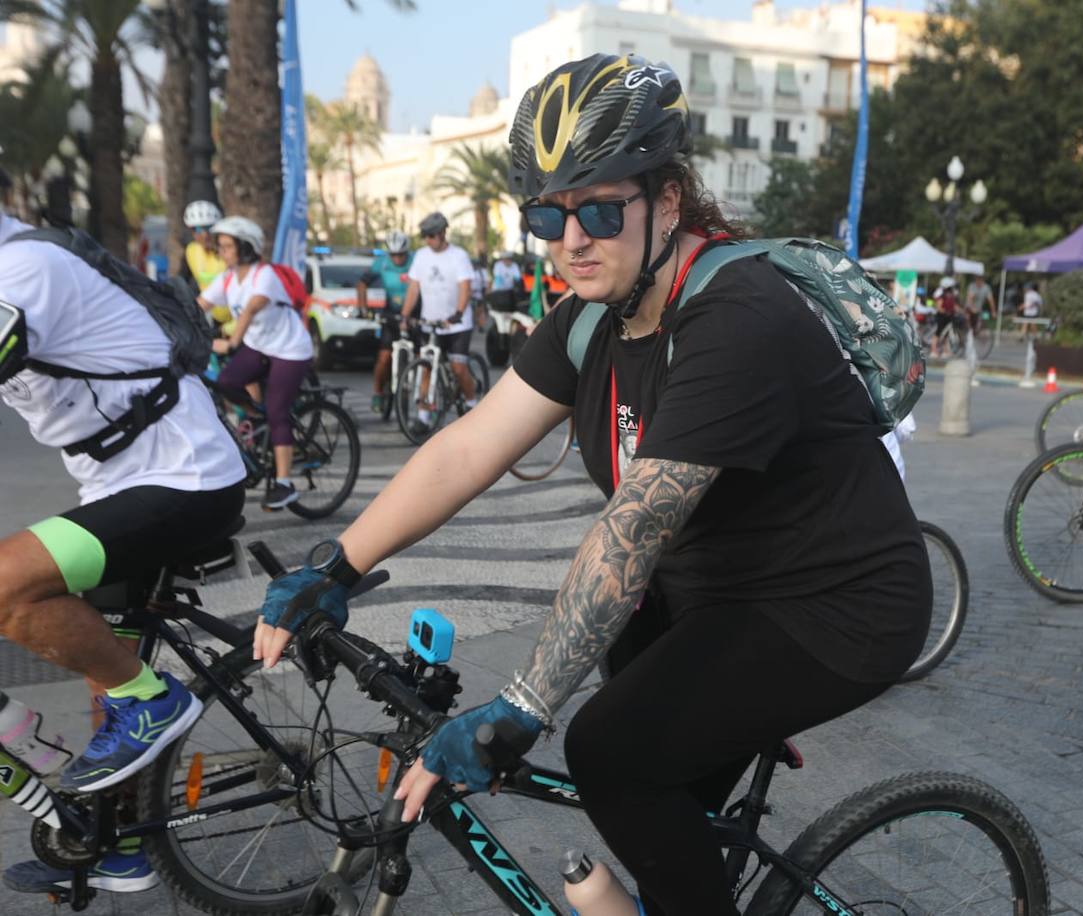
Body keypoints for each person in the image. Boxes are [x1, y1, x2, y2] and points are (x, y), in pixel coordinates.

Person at [250, 53, 930, 916]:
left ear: (668, 200)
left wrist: (519, 708)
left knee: (611, 751)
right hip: (707, 594)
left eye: (602, 209)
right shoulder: (589, 319)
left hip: (835, 606)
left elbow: (633, 530)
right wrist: (336, 568)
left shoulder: (737, 317)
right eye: (548, 215)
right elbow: (467, 447)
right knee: (649, 761)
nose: (573, 240)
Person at [0, 208, 245, 893]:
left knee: (6, 585)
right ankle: (118, 845)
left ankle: (154, 699)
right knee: (100, 659)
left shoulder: (23, 269)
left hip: (188, 478)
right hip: (118, 484)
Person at [196, 216, 315, 509]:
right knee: (226, 382)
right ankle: (258, 419)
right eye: (220, 246)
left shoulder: (264, 276)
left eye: (227, 246)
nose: (221, 252)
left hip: (289, 349)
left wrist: (233, 341)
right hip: (260, 346)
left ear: (246, 248)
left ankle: (285, 484)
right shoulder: (228, 277)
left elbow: (251, 309)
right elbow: (200, 304)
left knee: (277, 411)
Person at [401, 212, 479, 421]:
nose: (428, 240)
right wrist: (405, 316)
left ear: (443, 232)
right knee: (426, 367)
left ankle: (472, 404)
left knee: (458, 367)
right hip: (431, 323)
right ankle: (423, 416)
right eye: (425, 236)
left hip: (456, 325)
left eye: (431, 235)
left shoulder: (459, 256)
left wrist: (459, 313)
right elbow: (413, 289)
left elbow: (465, 287)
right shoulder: (420, 256)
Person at [358, 230, 416, 412]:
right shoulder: (381, 263)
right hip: (390, 313)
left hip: (414, 313)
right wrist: (363, 307)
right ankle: (377, 392)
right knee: (384, 358)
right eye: (394, 255)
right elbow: (361, 284)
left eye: (401, 254)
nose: (397, 258)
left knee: (423, 355)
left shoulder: (416, 261)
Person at [932, 276, 960, 358]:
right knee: (938, 333)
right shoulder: (942, 295)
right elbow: (939, 307)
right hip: (941, 317)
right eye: (951, 287)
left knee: (946, 334)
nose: (952, 289)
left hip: (949, 316)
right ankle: (933, 351)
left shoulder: (951, 295)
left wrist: (959, 311)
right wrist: (945, 311)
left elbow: (954, 306)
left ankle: (945, 351)